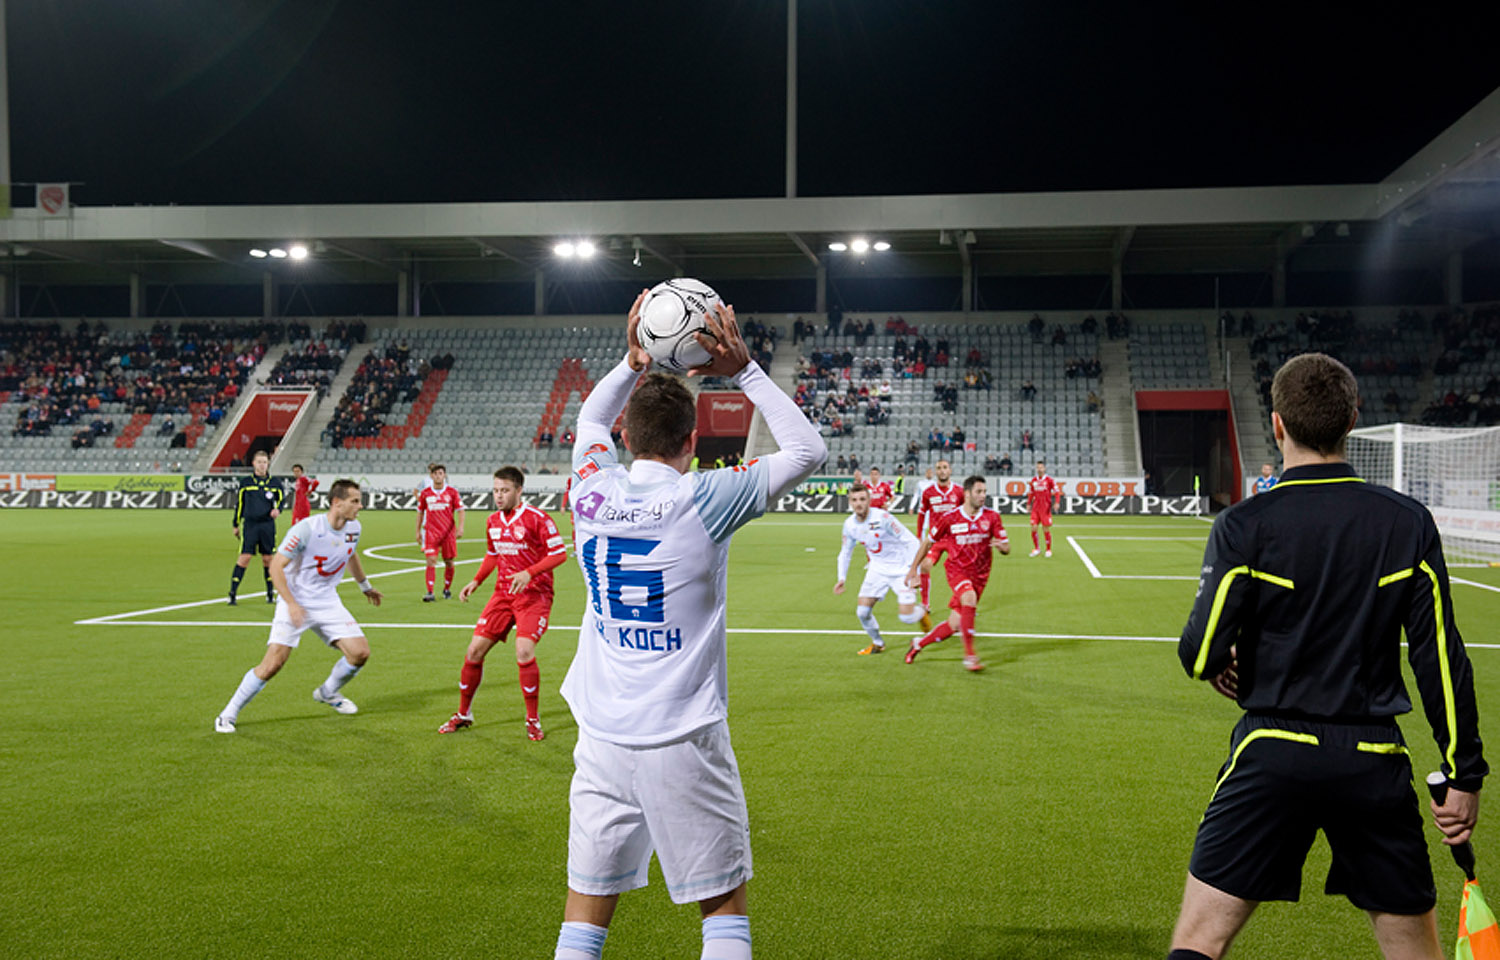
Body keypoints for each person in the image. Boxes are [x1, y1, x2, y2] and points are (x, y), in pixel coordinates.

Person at [1166, 352, 1484, 960]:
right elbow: (1440, 658)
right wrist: (1462, 771)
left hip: (1271, 751)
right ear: (1352, 420)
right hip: (1373, 759)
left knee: (1200, 941)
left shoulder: (1243, 524)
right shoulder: (1408, 523)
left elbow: (1200, 650)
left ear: (1278, 424)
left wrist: (1217, 666)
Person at [553, 292, 823, 960]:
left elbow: (589, 414)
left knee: (583, 922)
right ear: (693, 441)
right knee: (722, 915)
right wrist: (746, 369)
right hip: (683, 737)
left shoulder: (588, 490)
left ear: (625, 438)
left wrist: (632, 361)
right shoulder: (705, 496)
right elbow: (807, 449)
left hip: (602, 737)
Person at [214, 480, 384, 733]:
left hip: (327, 601)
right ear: (337, 503)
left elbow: (351, 553)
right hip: (295, 600)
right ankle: (228, 714)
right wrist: (292, 604)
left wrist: (364, 586)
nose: (361, 506)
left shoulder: (354, 528)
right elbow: (275, 566)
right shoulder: (307, 529)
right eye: (355, 501)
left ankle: (327, 692)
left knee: (360, 653)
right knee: (272, 664)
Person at [441, 467, 568, 740]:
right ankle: (464, 713)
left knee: (523, 651)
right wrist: (476, 581)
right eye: (496, 490)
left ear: (519, 491)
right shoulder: (492, 521)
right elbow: (492, 555)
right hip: (503, 594)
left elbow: (559, 554)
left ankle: (532, 719)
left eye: (505, 490)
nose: (499, 496)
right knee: (474, 650)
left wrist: (529, 572)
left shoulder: (537, 519)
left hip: (534, 595)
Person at [904, 475, 1009, 672]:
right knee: (968, 598)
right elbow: (928, 542)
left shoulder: (992, 517)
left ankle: (918, 644)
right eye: (979, 492)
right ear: (967, 494)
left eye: (984, 492)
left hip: (980, 575)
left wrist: (1003, 547)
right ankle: (970, 655)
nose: (983, 495)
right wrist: (913, 570)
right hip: (957, 571)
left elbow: (1006, 546)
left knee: (953, 625)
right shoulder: (950, 518)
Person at [835, 483, 931, 655]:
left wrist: (913, 572)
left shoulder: (884, 518)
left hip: (901, 569)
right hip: (877, 570)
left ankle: (921, 612)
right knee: (862, 612)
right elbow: (845, 552)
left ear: (869, 500)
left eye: (862, 499)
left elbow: (911, 541)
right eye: (854, 500)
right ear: (850, 502)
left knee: (907, 617)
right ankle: (878, 643)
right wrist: (842, 578)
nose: (859, 503)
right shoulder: (849, 525)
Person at [228, 449, 286, 606]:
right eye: (259, 462)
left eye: (265, 462)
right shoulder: (246, 483)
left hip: (267, 525)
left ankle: (269, 593)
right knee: (245, 557)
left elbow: (282, 499)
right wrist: (236, 523)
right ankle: (232, 592)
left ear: (268, 464)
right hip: (251, 525)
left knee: (268, 559)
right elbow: (240, 504)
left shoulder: (275, 483)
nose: (262, 465)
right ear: (254, 464)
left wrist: (278, 510)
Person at [913, 458, 963, 611]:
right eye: (939, 468)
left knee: (963, 571)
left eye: (945, 467)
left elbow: (965, 513)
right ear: (935, 472)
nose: (942, 470)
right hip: (936, 539)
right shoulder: (928, 492)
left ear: (950, 470)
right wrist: (919, 537)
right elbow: (922, 514)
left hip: (955, 538)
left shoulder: (959, 491)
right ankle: (925, 603)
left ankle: (965, 604)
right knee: (925, 565)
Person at [417, 464, 465, 601]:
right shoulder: (425, 493)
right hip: (431, 533)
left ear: (444, 475)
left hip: (448, 533)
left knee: (449, 562)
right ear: (431, 476)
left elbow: (461, 510)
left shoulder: (452, 492)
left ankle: (446, 589)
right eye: (435, 473)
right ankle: (430, 592)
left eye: (440, 473)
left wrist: (460, 528)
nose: (438, 476)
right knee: (430, 561)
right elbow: (420, 513)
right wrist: (417, 531)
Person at [1027, 459, 1060, 557]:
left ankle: (1048, 549)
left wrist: (1057, 502)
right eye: (1038, 467)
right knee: (1033, 527)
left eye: (1041, 467)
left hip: (1045, 509)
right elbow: (1031, 493)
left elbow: (1057, 492)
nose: (1039, 469)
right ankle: (1037, 549)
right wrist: (1029, 504)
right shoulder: (1034, 480)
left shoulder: (1049, 480)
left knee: (1045, 529)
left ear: (1044, 468)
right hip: (1035, 508)